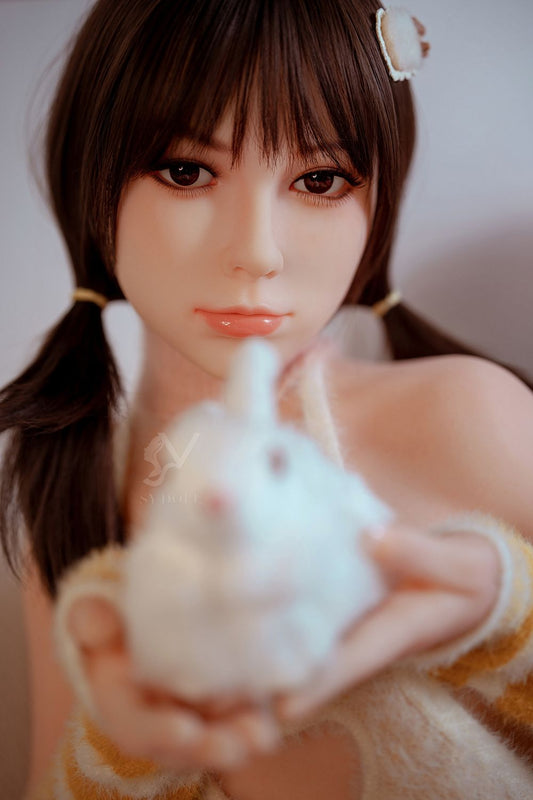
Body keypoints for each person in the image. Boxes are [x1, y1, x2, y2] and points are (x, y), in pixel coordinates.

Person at [0, 0, 532, 797]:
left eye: (319, 180)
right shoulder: (67, 487)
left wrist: (508, 622)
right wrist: (122, 749)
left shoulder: (462, 416)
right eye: (187, 172)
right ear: (90, 180)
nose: (256, 250)